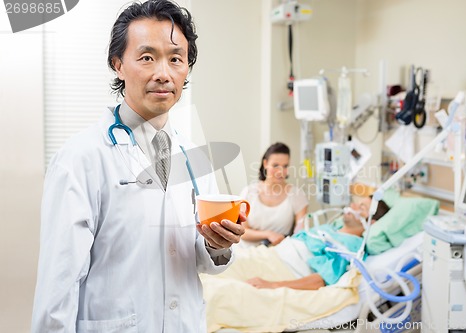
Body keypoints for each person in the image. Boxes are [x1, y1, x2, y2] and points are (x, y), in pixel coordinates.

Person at [31, 1, 245, 332]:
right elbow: (58, 285)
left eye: (176, 59)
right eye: (147, 57)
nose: (163, 72)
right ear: (118, 64)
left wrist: (217, 245)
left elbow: (197, 260)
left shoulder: (194, 156)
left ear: (187, 68)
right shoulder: (82, 157)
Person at [229, 196, 390, 290]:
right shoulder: (331, 228)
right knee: (216, 266)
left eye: (361, 206)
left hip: (283, 270)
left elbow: (320, 280)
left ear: (372, 223)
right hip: (267, 256)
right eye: (356, 202)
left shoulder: (352, 246)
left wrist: (272, 285)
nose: (352, 205)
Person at [239, 142, 308, 247]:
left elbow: (300, 231)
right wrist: (268, 234)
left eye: (285, 166)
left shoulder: (296, 195)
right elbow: (242, 231)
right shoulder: (249, 192)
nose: (280, 171)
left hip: (277, 252)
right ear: (265, 163)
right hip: (246, 251)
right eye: (275, 165)